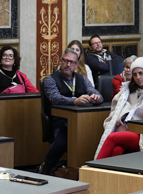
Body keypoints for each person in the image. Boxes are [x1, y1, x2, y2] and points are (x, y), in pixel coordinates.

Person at [39, 47, 103, 175]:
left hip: (81, 121)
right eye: (65, 61)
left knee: (92, 136)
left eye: (72, 62)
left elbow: (97, 94)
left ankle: (86, 170)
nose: (68, 65)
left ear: (76, 65)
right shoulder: (50, 80)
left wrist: (95, 98)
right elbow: (55, 98)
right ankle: (47, 166)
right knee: (63, 140)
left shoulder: (82, 79)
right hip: (59, 121)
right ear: (60, 61)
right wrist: (75, 101)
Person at [95, 57, 143, 159]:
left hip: (142, 135)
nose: (138, 77)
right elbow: (113, 115)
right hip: (124, 130)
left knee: (112, 137)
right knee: (117, 150)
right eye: (135, 74)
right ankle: (109, 170)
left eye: (141, 73)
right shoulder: (125, 93)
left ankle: (93, 166)